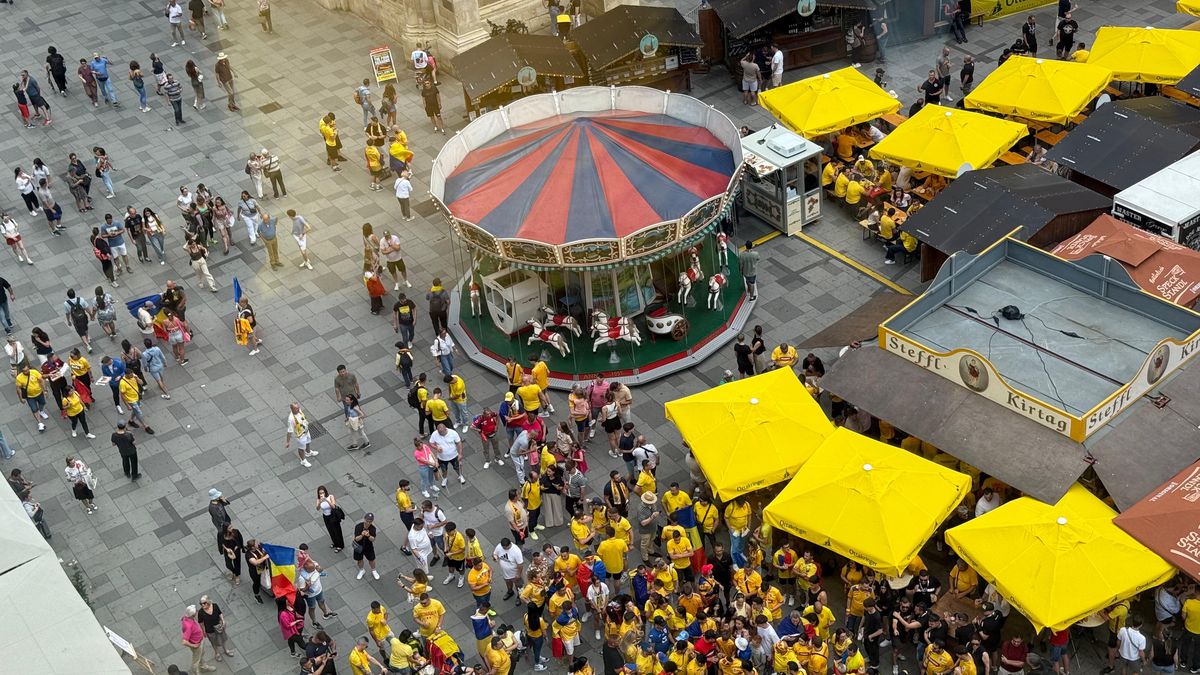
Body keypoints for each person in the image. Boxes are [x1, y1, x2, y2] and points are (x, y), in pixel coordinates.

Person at [197, 595, 234, 662]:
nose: (202, 605)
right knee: (213, 642)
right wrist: (203, 631)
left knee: (223, 638)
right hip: (210, 630)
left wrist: (223, 620)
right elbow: (201, 622)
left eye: (204, 603)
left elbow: (220, 613)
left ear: (208, 601)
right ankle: (217, 653)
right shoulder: (201, 612)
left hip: (219, 627)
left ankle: (226, 650)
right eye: (201, 603)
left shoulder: (215, 606)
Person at [182, 605, 216, 672]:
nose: (197, 612)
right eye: (195, 613)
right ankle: (196, 672)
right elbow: (184, 641)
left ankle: (203, 666)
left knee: (201, 654)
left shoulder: (186, 617)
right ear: (192, 615)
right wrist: (194, 645)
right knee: (196, 660)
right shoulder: (188, 626)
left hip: (199, 640)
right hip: (196, 644)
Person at [286, 402, 319, 467]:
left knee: (308, 442)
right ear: (292, 409)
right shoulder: (291, 419)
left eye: (298, 408)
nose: (298, 410)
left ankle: (308, 452)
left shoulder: (299, 411)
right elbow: (289, 431)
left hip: (306, 431)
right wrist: (288, 442)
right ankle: (303, 460)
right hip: (300, 436)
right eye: (296, 409)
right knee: (301, 448)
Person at [353, 513, 380, 580]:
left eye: (370, 521)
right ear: (364, 519)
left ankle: (374, 570)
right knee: (359, 560)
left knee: (371, 559)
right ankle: (361, 570)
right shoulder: (358, 527)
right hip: (358, 546)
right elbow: (356, 538)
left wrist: (368, 536)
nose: (368, 523)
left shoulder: (373, 528)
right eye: (367, 521)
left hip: (368, 547)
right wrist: (362, 535)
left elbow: (373, 539)